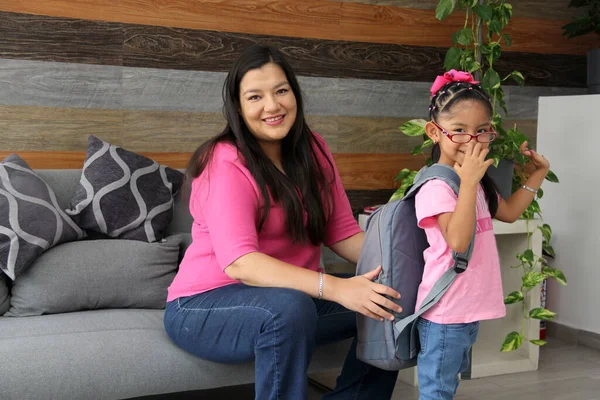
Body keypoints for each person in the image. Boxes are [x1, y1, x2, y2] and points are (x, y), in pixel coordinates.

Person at [163, 44, 400, 400]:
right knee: (288, 308)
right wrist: (336, 288)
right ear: (238, 108)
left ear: (295, 94)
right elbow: (242, 263)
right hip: (203, 306)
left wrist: (404, 265)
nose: (272, 106)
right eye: (255, 96)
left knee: (390, 300)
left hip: (290, 299)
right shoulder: (225, 161)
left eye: (281, 91)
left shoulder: (313, 149)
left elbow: (343, 233)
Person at [414, 70, 551, 400]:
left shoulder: (472, 184)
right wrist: (470, 181)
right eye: (459, 131)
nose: (472, 141)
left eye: (481, 131)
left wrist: (538, 175)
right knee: (436, 392)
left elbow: (508, 212)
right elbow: (458, 242)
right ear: (435, 132)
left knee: (447, 387)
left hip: (466, 310)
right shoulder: (437, 186)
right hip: (445, 312)